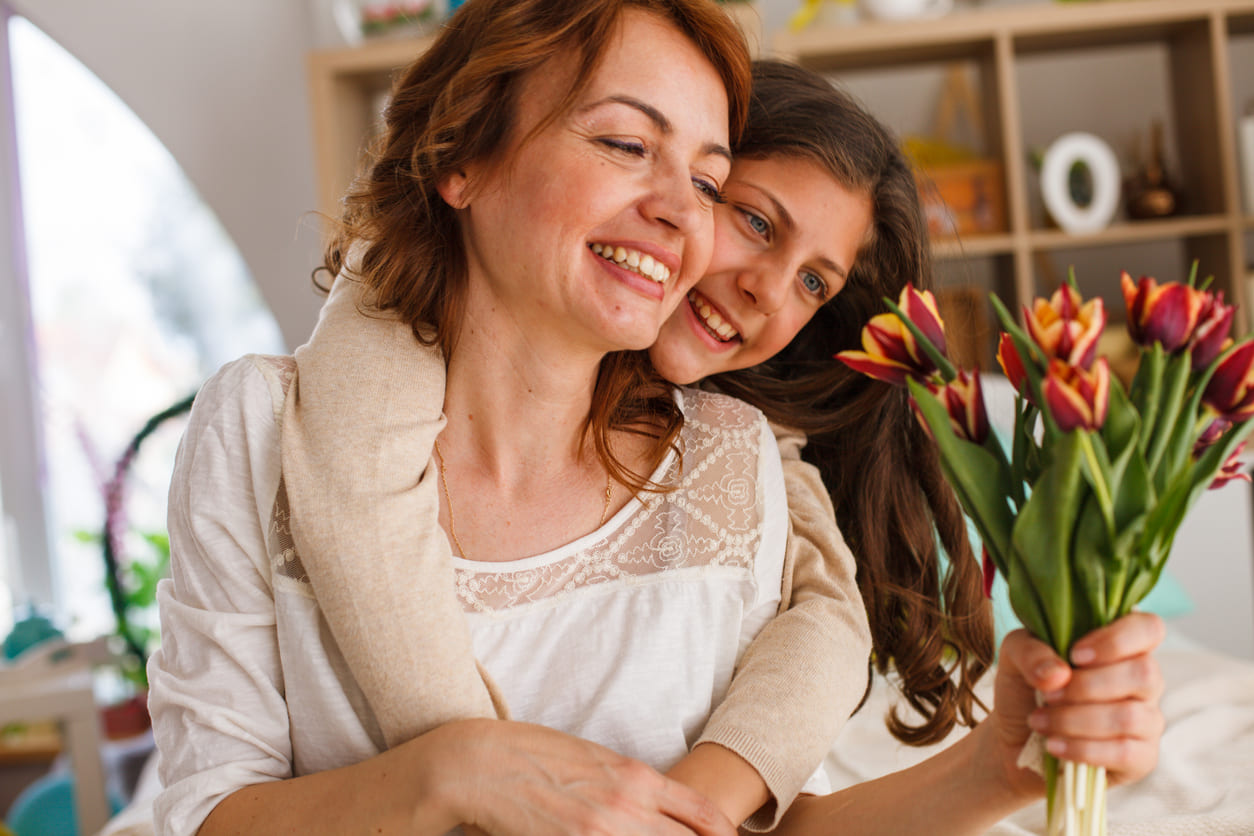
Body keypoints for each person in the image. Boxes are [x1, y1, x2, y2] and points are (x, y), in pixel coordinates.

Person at [275, 49, 1166, 836]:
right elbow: (359, 482)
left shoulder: (738, 435)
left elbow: (829, 620)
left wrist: (682, 808)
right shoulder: (374, 347)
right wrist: (471, 772)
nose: (769, 293)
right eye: (756, 221)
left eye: (815, 282)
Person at [149, 1, 769, 834]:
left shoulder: (730, 465)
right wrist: (445, 773)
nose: (681, 211)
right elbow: (205, 815)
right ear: (464, 158)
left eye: (708, 183)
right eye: (626, 144)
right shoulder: (257, 428)